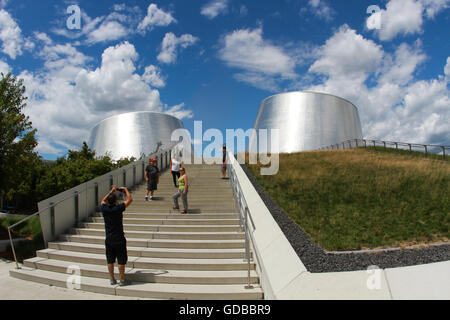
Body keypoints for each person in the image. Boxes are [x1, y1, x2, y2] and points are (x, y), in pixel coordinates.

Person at [100, 185, 133, 286]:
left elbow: (102, 201)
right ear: (115, 201)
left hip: (109, 238)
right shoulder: (118, 208)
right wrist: (125, 189)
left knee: (110, 260)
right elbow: (130, 199)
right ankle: (122, 279)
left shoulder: (104, 209)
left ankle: (112, 279)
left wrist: (111, 191)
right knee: (121, 260)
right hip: (119, 238)